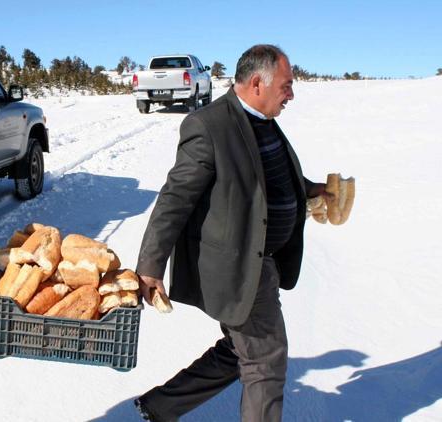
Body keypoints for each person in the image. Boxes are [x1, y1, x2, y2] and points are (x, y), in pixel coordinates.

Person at [134, 44, 328, 421]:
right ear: (258, 82)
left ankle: (161, 405)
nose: (292, 94)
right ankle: (161, 405)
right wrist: (150, 265)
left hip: (263, 262)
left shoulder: (262, 119)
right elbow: (175, 197)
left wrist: (308, 189)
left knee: (245, 349)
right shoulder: (209, 126)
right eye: (287, 85)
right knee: (266, 362)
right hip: (237, 266)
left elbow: (263, 177)